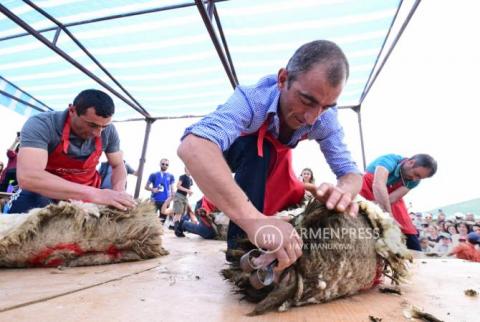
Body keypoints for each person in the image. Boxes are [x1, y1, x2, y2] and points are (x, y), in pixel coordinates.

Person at [178, 40, 362, 270]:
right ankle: (239, 248)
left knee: (288, 180)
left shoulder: (325, 118)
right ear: (283, 79)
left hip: (271, 161)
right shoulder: (253, 99)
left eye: (326, 106)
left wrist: (343, 192)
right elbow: (193, 146)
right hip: (228, 151)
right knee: (260, 150)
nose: (312, 118)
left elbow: (351, 173)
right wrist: (255, 222)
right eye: (306, 101)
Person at [7, 89, 135, 213]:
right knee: (23, 216)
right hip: (46, 192)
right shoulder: (42, 124)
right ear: (72, 110)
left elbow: (118, 165)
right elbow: (29, 177)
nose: (98, 133)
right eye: (92, 125)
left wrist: (119, 191)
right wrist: (96, 194)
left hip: (87, 197)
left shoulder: (109, 131)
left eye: (104, 126)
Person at [360, 153, 437, 251]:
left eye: (419, 178)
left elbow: (393, 198)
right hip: (368, 189)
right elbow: (378, 185)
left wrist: (388, 215)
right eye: (416, 174)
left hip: (388, 198)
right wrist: (388, 215)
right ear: (410, 162)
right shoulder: (389, 160)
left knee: (406, 228)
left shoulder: (415, 180)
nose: (415, 179)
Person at [145, 158, 175, 223]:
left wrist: (172, 196)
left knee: (161, 223)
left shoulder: (171, 176)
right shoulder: (153, 175)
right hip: (154, 200)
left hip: (165, 202)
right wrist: (153, 189)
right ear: (159, 164)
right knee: (150, 222)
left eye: (167, 164)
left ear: (168, 166)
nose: (165, 165)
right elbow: (146, 187)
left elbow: (172, 189)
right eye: (163, 164)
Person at [173, 167, 194, 237]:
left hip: (185, 197)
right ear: (185, 169)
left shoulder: (190, 179)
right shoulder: (182, 177)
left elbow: (190, 188)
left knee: (182, 213)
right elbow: (178, 186)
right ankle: (176, 231)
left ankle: (178, 229)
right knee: (178, 213)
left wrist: (190, 192)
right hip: (179, 195)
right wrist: (187, 191)